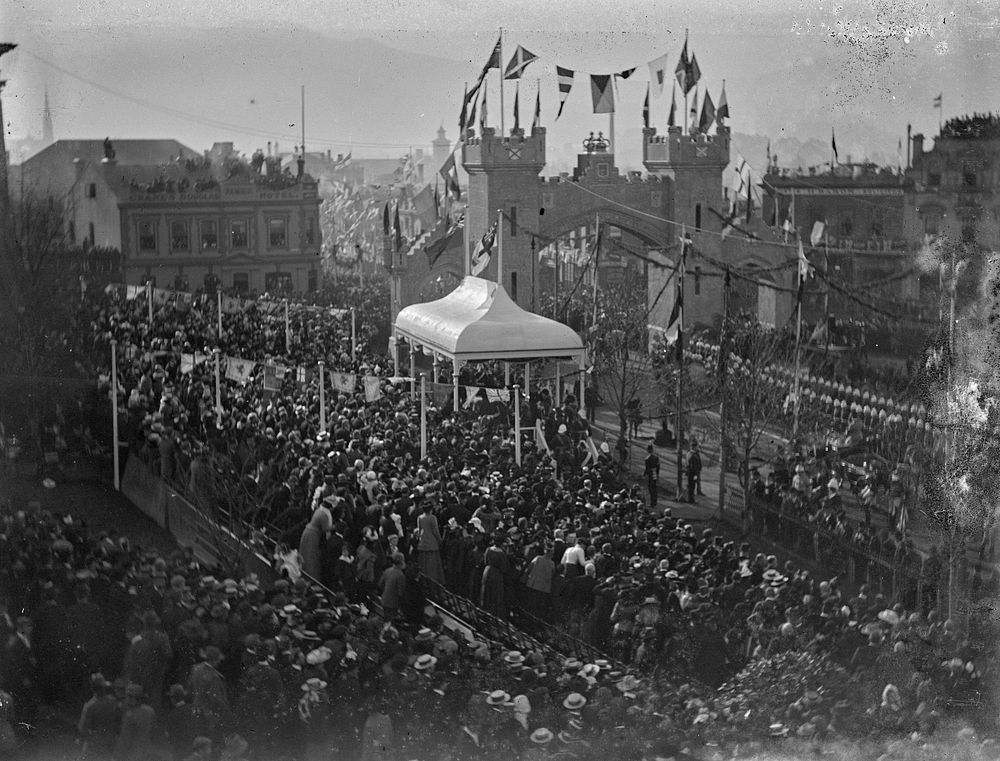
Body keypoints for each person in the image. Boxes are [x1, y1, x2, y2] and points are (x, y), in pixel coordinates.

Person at [115, 683, 156, 761]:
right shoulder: (150, 711)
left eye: (127, 696)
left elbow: (125, 740)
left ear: (131, 698)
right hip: (146, 753)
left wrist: (118, 756)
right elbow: (153, 733)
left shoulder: (130, 715)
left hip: (131, 755)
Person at [415, 502, 445, 584]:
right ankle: (433, 581)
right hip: (432, 542)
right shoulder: (433, 518)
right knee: (433, 565)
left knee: (423, 563)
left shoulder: (420, 517)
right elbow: (435, 531)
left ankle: (423, 579)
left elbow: (419, 529)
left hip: (423, 541)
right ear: (431, 510)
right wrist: (440, 540)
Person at [377, 555, 407, 621]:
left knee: (386, 619)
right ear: (401, 563)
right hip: (393, 603)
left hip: (384, 599)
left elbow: (380, 584)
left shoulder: (387, 570)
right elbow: (400, 592)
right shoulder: (400, 575)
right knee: (391, 621)